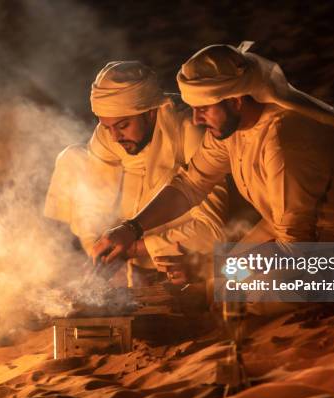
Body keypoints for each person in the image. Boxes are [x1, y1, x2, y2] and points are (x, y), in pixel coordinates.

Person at [92, 44, 334, 264]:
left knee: (240, 284)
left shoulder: (283, 140)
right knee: (222, 279)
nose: (197, 119)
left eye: (204, 109)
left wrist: (226, 273)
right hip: (298, 233)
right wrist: (129, 229)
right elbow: (190, 185)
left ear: (236, 101)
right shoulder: (230, 130)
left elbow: (296, 244)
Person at [45, 61, 228, 286]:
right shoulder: (109, 134)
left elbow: (215, 229)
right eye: (107, 126)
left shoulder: (189, 130)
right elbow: (93, 201)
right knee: (72, 158)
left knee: (245, 285)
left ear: (150, 113)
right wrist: (100, 248)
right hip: (135, 243)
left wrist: (136, 248)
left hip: (203, 253)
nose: (114, 137)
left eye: (123, 126)